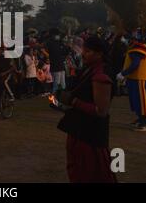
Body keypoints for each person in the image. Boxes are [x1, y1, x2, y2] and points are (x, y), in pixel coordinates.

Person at [57, 36, 116, 183]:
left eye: (88, 51)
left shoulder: (100, 75)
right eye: (84, 50)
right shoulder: (89, 69)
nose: (83, 54)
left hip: (89, 136)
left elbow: (101, 111)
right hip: (79, 130)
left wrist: (73, 101)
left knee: (89, 174)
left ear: (99, 54)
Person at [116, 31, 146, 131]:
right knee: (137, 100)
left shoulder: (138, 47)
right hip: (136, 77)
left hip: (139, 78)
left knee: (142, 100)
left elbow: (135, 64)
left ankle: (144, 122)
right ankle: (141, 119)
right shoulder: (138, 46)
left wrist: (123, 73)